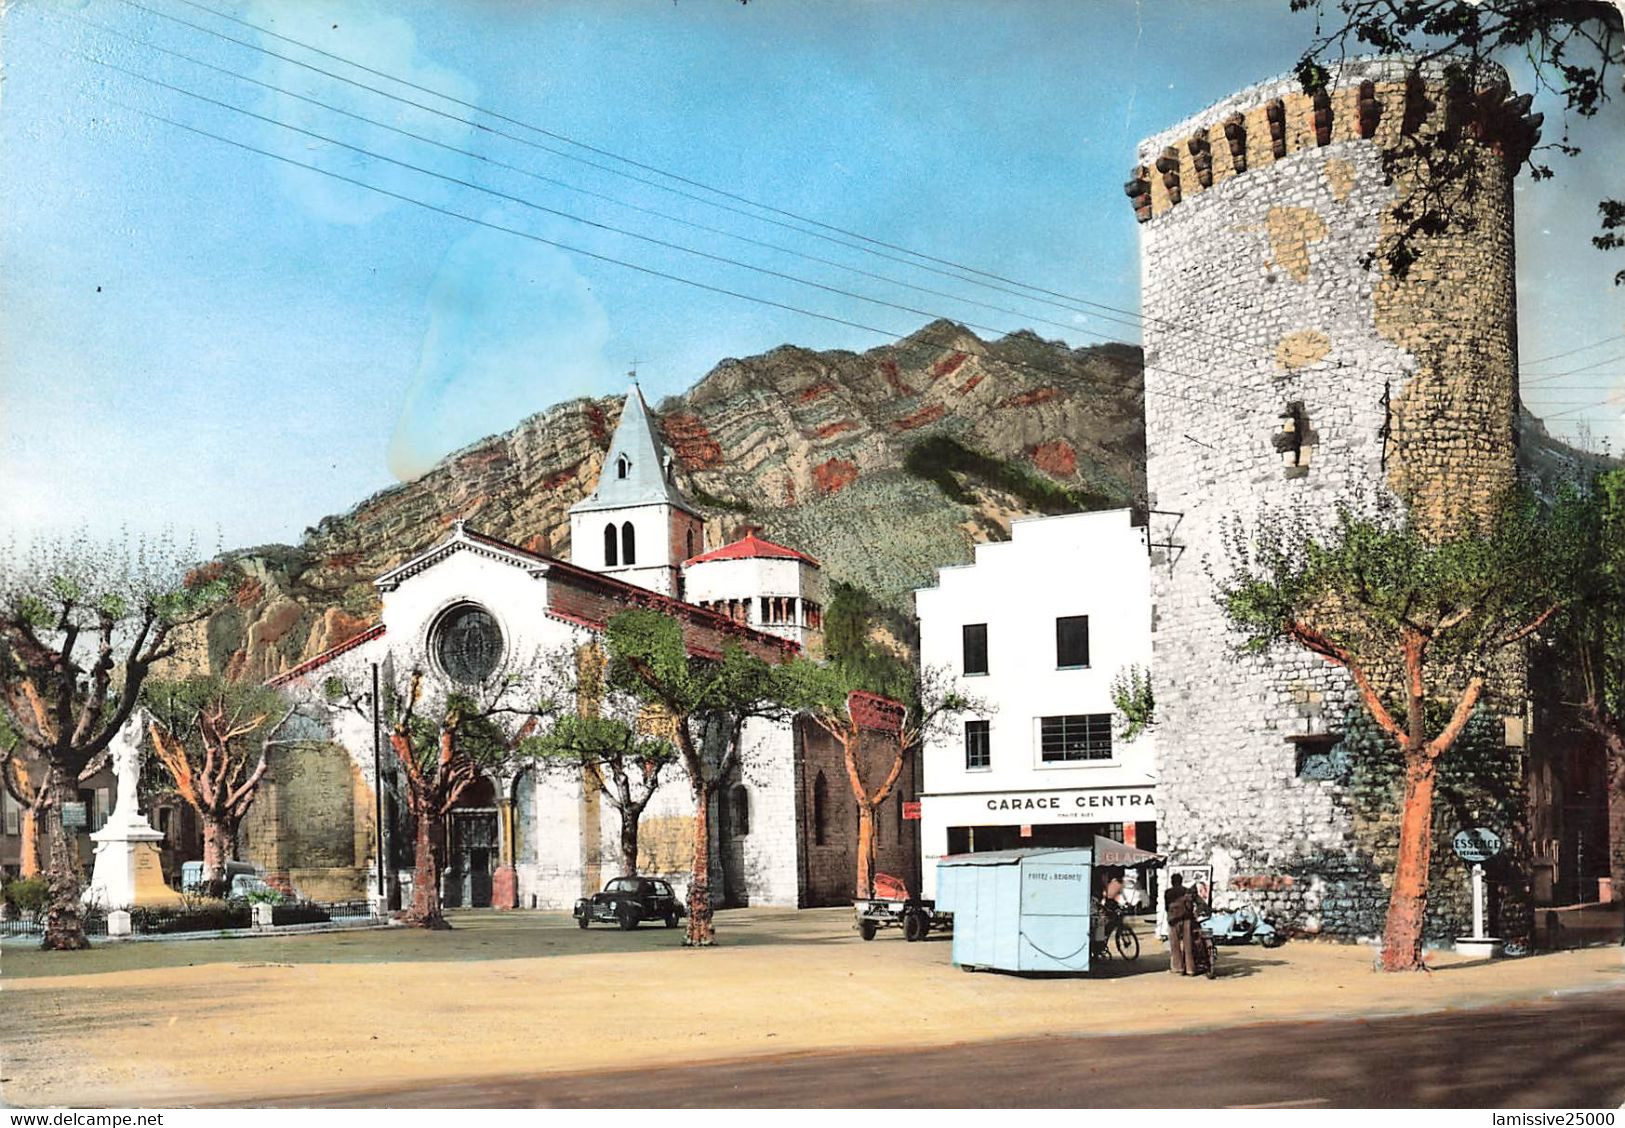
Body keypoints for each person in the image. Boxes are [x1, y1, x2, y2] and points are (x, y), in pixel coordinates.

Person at [1165, 873, 1197, 976]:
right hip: (1186, 918)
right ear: (1181, 880)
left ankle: (1178, 967)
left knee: (1175, 944)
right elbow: (1191, 906)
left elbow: (1166, 907)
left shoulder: (1168, 892)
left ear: (1172, 881)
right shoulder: (1186, 891)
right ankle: (1190, 969)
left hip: (1173, 920)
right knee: (1188, 944)